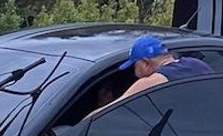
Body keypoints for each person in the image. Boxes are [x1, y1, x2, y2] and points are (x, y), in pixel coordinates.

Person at [86, 36, 214, 118]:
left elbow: (109, 111)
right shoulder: (198, 64)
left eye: (134, 66)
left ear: (146, 63)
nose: (135, 74)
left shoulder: (156, 80)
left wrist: (77, 127)